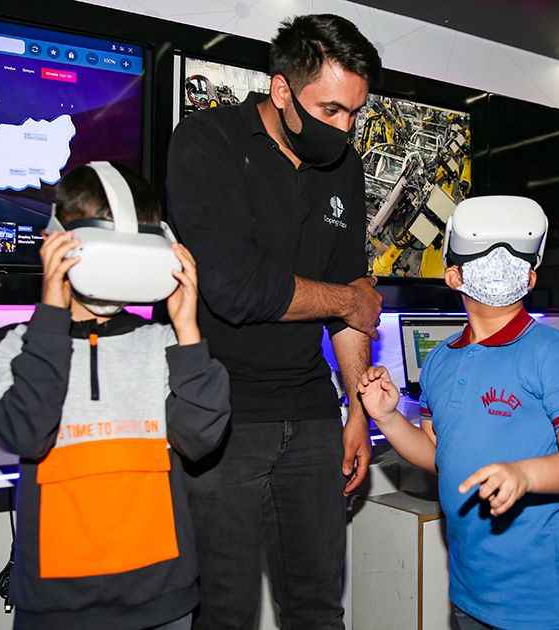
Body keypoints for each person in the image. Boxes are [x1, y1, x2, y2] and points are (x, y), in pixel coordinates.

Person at [165, 14, 382, 630]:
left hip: (313, 413)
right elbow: (235, 289)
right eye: (331, 110)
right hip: (223, 420)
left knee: (318, 608)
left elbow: (351, 297)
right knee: (223, 613)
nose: (344, 128)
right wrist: (346, 301)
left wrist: (358, 412)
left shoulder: (344, 167)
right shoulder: (207, 142)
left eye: (355, 113)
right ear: (282, 89)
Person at [0, 163, 230, 629]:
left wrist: (188, 329)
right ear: (56, 241)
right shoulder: (16, 345)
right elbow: (26, 434)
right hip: (58, 605)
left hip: (163, 598)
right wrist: (51, 316)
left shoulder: (163, 344)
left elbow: (201, 437)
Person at [358, 196, 559, 629]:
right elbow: (437, 453)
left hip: (539, 590)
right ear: (453, 276)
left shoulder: (553, 352)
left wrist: (525, 475)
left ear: (530, 277)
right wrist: (389, 417)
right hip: (469, 584)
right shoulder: (439, 360)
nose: (499, 266)